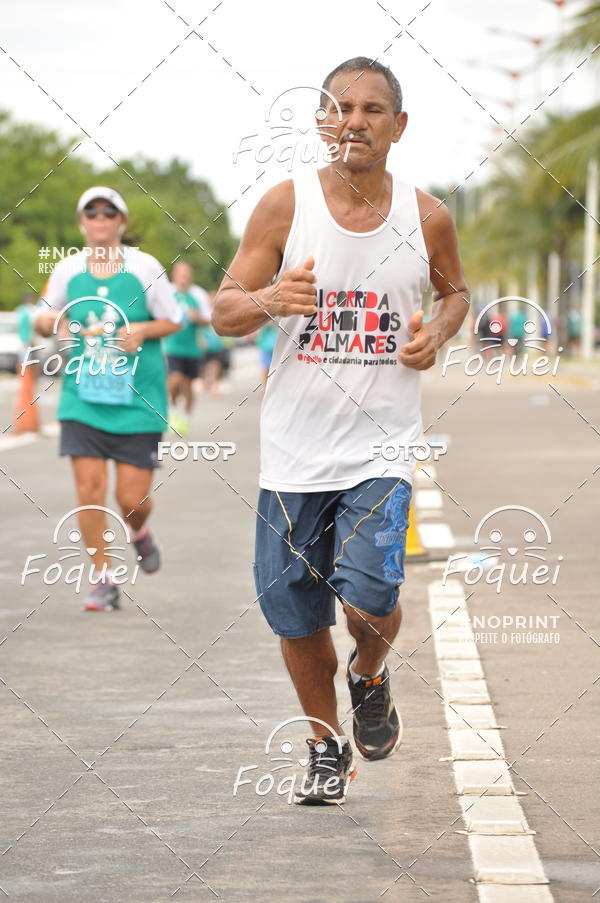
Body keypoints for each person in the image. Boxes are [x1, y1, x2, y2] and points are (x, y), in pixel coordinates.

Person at [213, 57, 470, 804]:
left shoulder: (426, 216)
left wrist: (439, 333)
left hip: (382, 446)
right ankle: (325, 746)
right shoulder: (284, 206)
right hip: (293, 450)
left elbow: (455, 292)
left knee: (368, 594)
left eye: (372, 108)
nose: (354, 120)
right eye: (339, 107)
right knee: (295, 614)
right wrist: (270, 297)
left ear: (398, 125)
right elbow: (224, 311)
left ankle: (368, 673)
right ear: (323, 120)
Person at [35, 186, 182, 612]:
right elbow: (47, 317)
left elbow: (172, 320)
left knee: (131, 501)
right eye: (92, 213)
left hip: (138, 398)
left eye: (109, 212)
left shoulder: (145, 267)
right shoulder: (67, 269)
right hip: (83, 396)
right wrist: (47, 319)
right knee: (88, 488)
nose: (100, 220)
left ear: (121, 221)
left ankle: (139, 532)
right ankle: (102, 577)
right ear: (82, 222)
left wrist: (141, 331)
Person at [164, 261, 211, 434]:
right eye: (180, 274)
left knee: (187, 384)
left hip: (192, 348)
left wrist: (197, 317)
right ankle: (172, 411)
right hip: (171, 346)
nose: (183, 277)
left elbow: (209, 320)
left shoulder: (198, 294)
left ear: (191, 276)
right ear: (174, 275)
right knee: (174, 379)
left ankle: (186, 417)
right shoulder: (167, 292)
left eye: (186, 274)